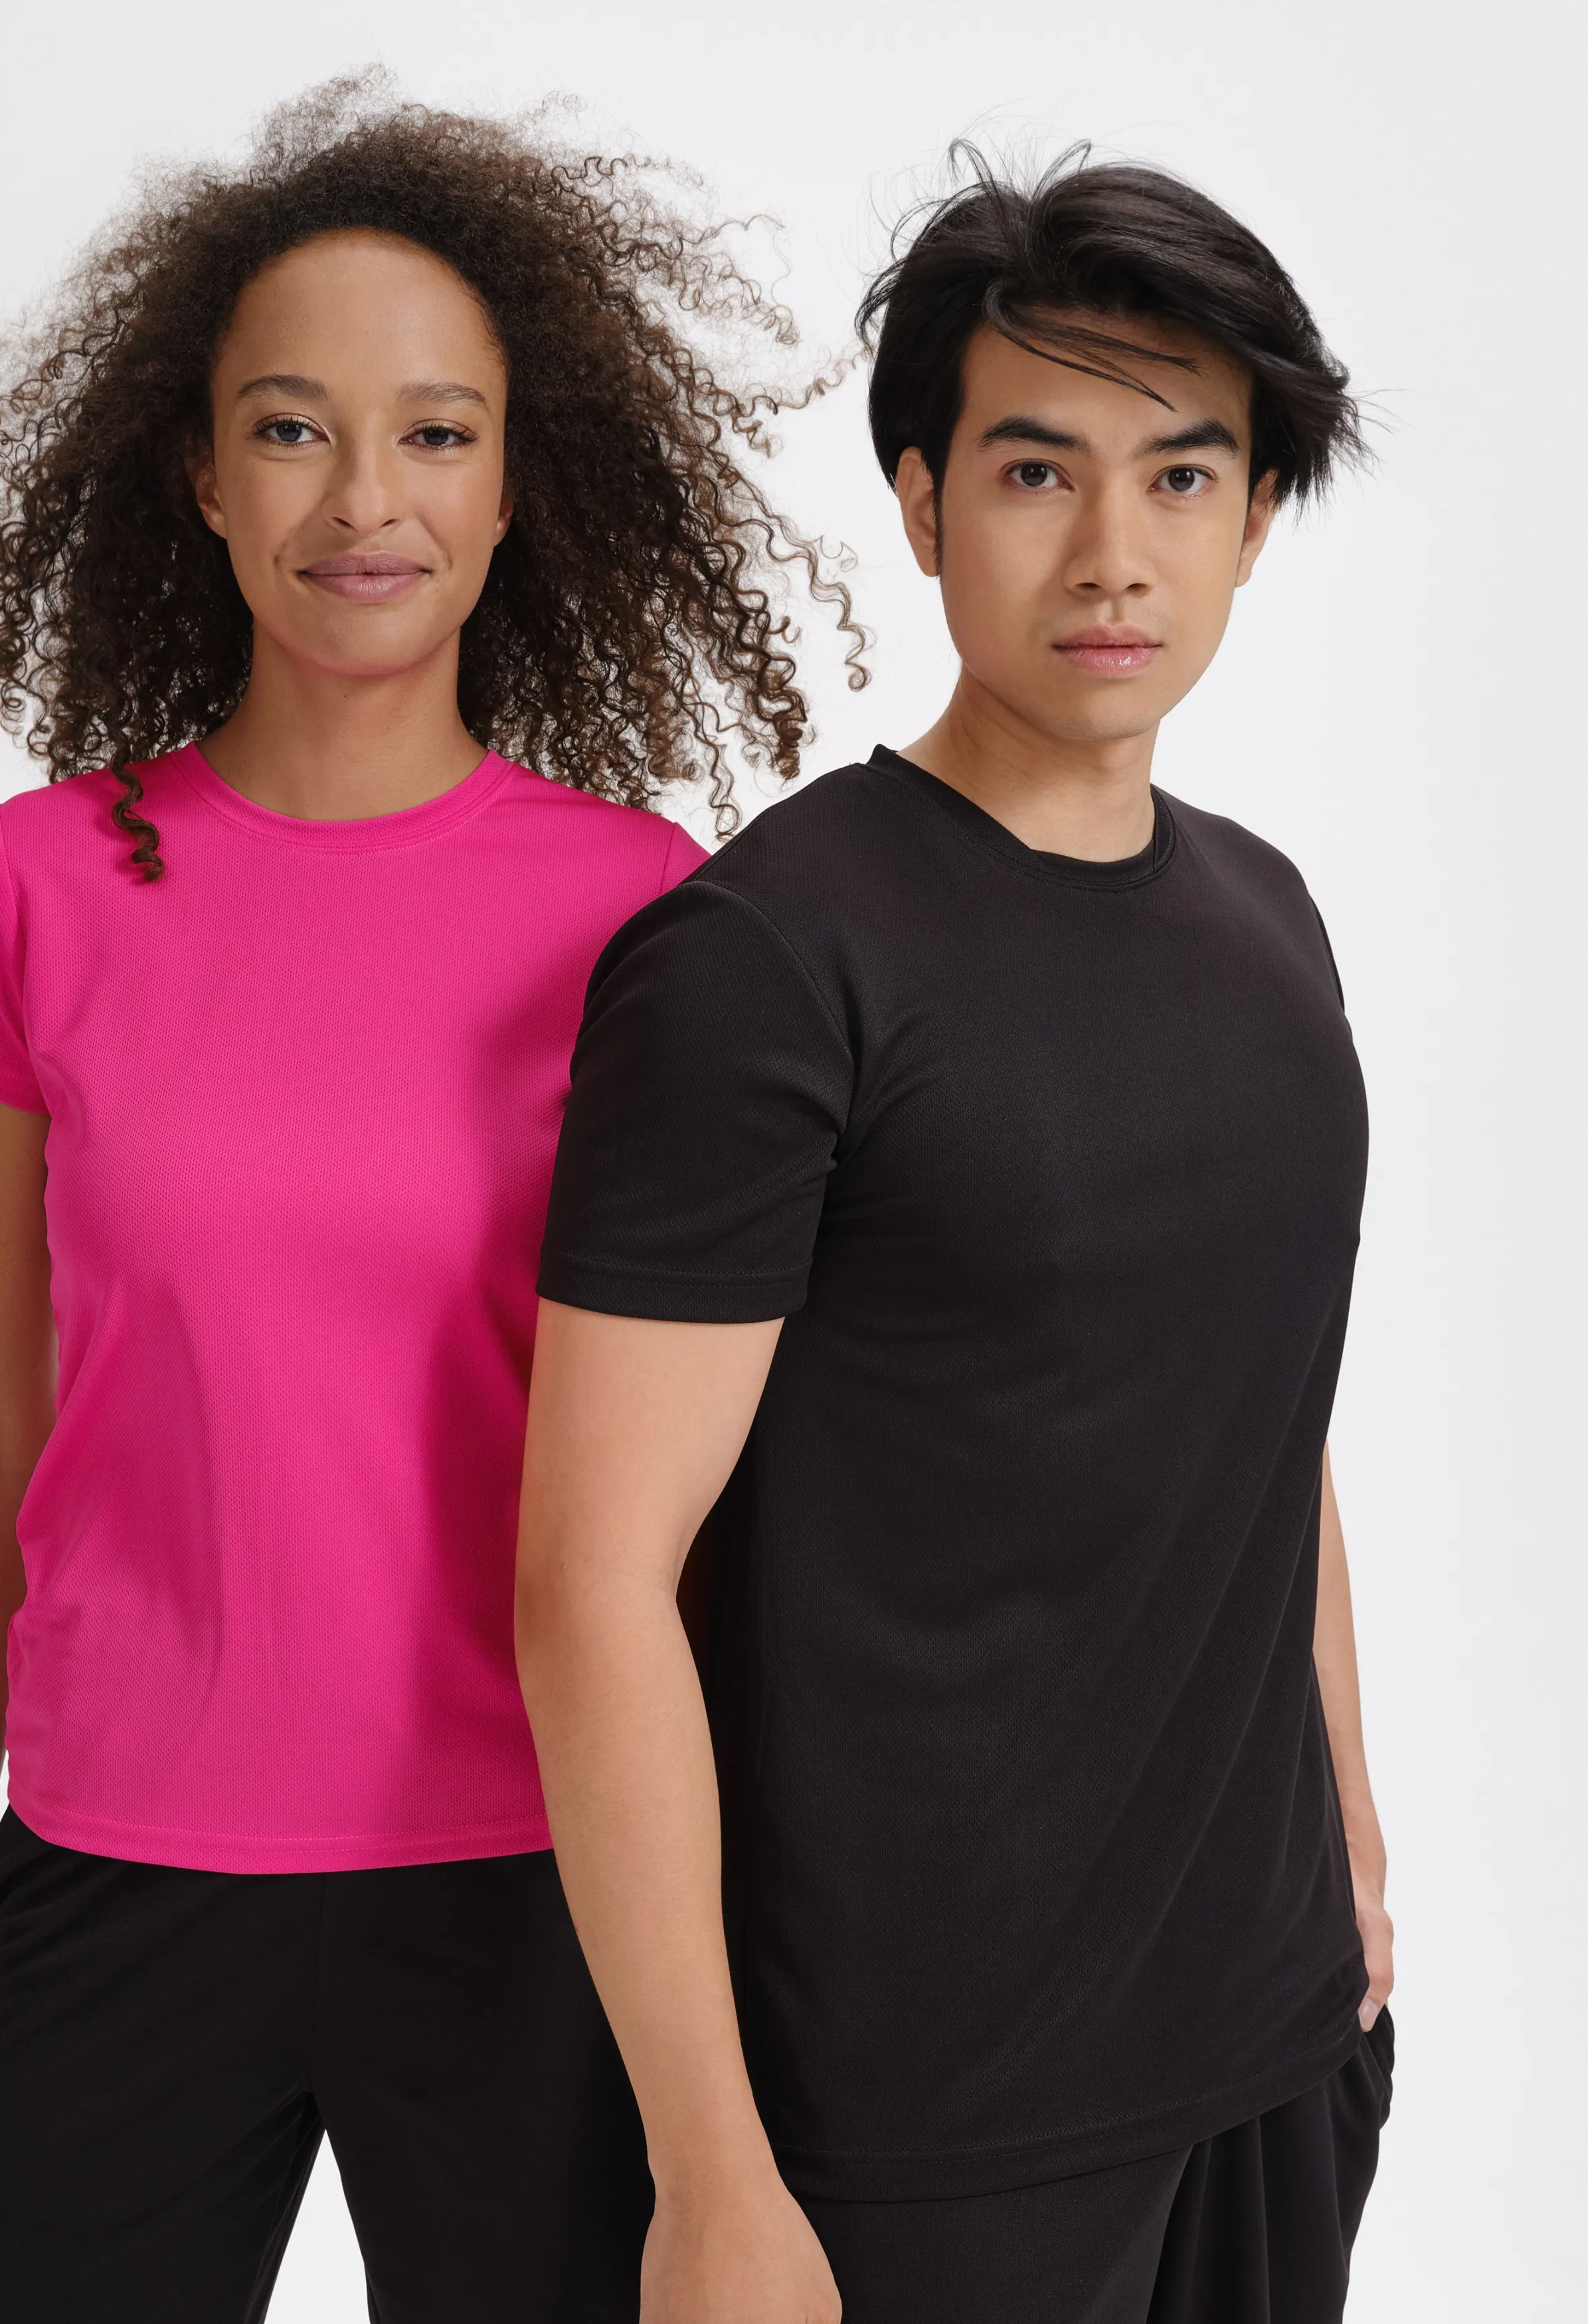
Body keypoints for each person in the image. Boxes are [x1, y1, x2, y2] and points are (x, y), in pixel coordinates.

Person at [0, 77, 857, 2323]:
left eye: (436, 433)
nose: (365, 500)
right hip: (120, 1865)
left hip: (537, 1879)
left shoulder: (652, 917)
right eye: (293, 429)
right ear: (202, 476)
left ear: (513, 484)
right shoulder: (30, 889)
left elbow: (721, 1493)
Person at [517, 148, 1393, 2323]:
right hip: (918, 2122)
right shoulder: (766, 960)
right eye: (1033, 471)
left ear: (1255, 517)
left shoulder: (1269, 916)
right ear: (920, 503)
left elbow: (1260, 1416)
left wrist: (1351, 1840)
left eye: (1183, 475)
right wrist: (711, 2168)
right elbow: (590, 1581)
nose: (1114, 553)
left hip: (1271, 2041)